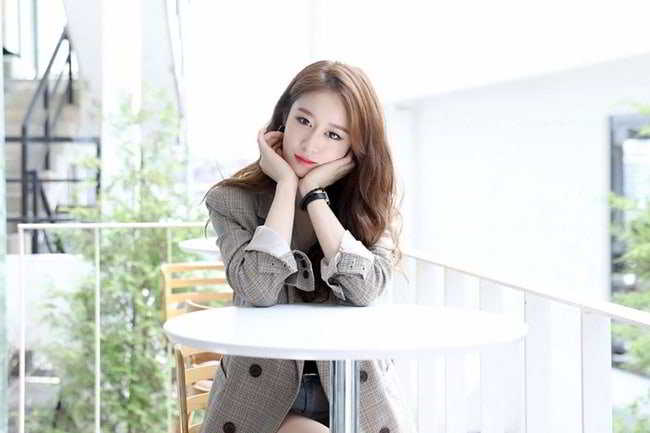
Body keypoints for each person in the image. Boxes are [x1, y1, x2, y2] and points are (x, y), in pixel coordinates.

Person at [200, 60, 415, 433]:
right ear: (283, 117)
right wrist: (286, 186)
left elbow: (364, 290)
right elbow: (258, 289)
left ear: (355, 147)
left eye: (334, 134)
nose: (311, 143)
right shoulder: (232, 200)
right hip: (260, 396)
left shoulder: (371, 206)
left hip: (357, 389)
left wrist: (313, 195)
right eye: (303, 121)